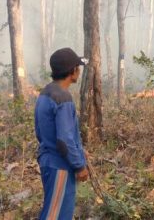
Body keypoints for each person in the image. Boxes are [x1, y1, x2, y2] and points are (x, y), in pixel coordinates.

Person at [34, 48, 89, 220]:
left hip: (49, 161)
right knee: (55, 215)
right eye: (78, 67)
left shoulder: (46, 93)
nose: (79, 71)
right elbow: (64, 140)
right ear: (73, 71)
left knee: (59, 212)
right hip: (60, 165)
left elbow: (42, 131)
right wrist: (79, 166)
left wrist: (80, 152)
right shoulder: (63, 98)